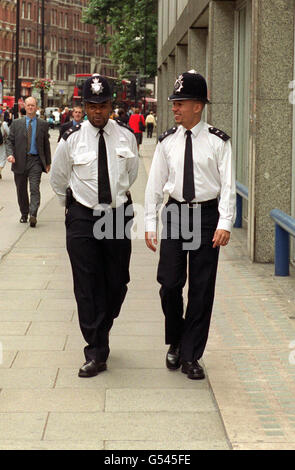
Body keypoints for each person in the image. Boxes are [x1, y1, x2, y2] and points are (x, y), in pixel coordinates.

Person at [144, 70, 236, 380]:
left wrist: (225, 222)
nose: (175, 108)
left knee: (201, 289)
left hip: (207, 217)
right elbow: (155, 184)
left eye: (180, 103)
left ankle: (191, 354)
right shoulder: (167, 141)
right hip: (175, 214)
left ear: (198, 105)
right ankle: (176, 339)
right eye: (174, 103)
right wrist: (149, 223)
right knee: (169, 284)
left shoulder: (218, 142)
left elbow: (227, 186)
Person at [50, 74, 139, 378]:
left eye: (103, 105)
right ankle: (95, 350)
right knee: (87, 286)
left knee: (117, 282)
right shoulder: (71, 138)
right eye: (92, 106)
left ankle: (103, 324)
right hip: (83, 217)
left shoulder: (126, 136)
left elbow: (132, 173)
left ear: (112, 105)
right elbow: (59, 179)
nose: (98, 111)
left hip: (115, 215)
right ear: (84, 106)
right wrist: (72, 210)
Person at [6, 96, 51, 227]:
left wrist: (48, 162)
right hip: (19, 161)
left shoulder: (43, 124)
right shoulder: (16, 123)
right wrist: (10, 154)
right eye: (28, 105)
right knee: (21, 190)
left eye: (33, 105)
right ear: (25, 107)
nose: (31, 107)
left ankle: (33, 214)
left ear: (36, 107)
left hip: (35, 161)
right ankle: (24, 213)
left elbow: (46, 144)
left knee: (34, 188)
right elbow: (10, 141)